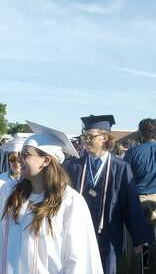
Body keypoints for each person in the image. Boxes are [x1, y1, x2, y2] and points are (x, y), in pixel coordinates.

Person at [0, 122, 103, 274]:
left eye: (26, 154)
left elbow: (78, 261)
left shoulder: (70, 202)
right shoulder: (8, 192)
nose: (19, 159)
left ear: (46, 160)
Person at [65, 114, 153, 274]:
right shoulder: (75, 166)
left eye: (89, 136)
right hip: (78, 235)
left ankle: (147, 265)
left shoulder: (120, 168)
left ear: (105, 138)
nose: (85, 140)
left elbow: (130, 205)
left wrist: (139, 238)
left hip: (108, 236)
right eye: (84, 136)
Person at [124, 118, 156, 273]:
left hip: (139, 199)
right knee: (151, 239)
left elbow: (125, 180)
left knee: (139, 241)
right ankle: (149, 267)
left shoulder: (133, 152)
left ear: (142, 133)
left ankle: (143, 268)